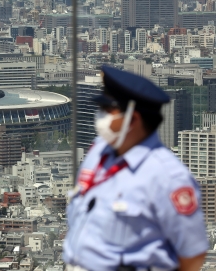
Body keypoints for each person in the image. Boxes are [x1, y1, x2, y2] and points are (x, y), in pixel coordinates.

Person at [63, 66, 208, 271]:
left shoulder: (168, 177)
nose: (101, 116)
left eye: (108, 111)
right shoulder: (99, 152)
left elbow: (192, 255)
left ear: (132, 120)